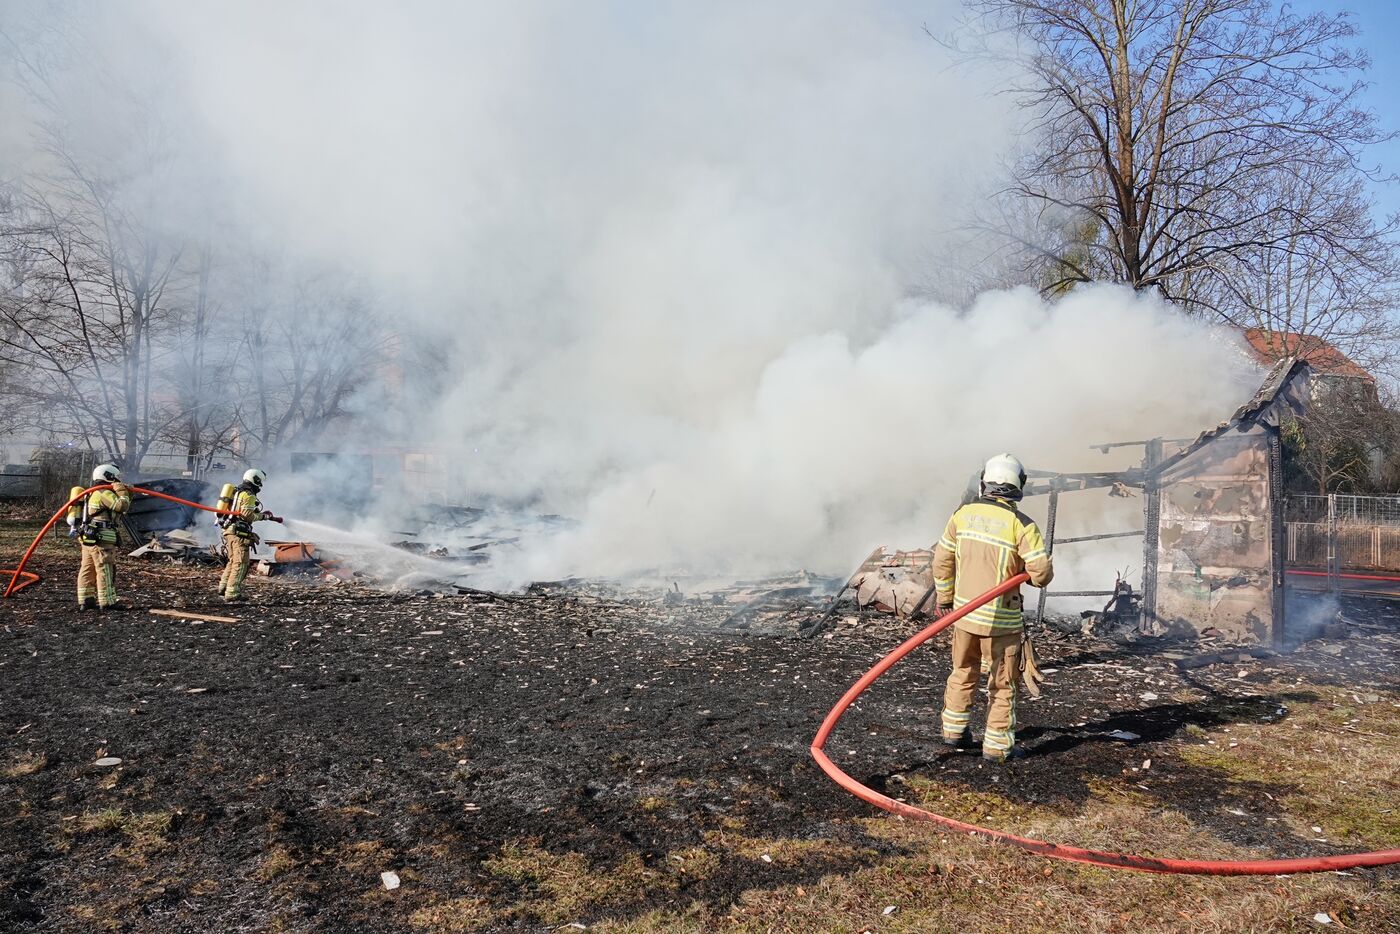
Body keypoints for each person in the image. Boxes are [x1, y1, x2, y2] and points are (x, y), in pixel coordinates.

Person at [932, 453, 1053, 762]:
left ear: (985, 482)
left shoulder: (962, 516)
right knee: (1002, 683)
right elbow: (1041, 575)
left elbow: (942, 561)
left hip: (965, 617)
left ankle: (953, 732)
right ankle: (997, 747)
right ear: (1018, 485)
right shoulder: (1022, 525)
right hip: (1001, 622)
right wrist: (1024, 571)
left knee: (962, 671)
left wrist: (945, 598)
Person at [66, 463, 132, 612]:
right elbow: (122, 507)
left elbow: (122, 507)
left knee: (87, 569)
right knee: (105, 569)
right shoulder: (104, 493)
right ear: (108, 476)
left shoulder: (91, 492)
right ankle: (107, 602)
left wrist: (129, 493)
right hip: (102, 539)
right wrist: (122, 490)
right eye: (116, 477)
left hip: (88, 538)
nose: (118, 480)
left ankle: (86, 600)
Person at [217, 468, 279, 603]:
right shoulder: (249, 495)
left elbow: (241, 511)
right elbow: (247, 515)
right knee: (241, 563)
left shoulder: (238, 491)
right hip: (238, 533)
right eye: (260, 481)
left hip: (229, 530)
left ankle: (223, 587)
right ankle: (232, 593)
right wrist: (264, 516)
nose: (260, 485)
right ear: (255, 480)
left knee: (233, 561)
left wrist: (261, 514)